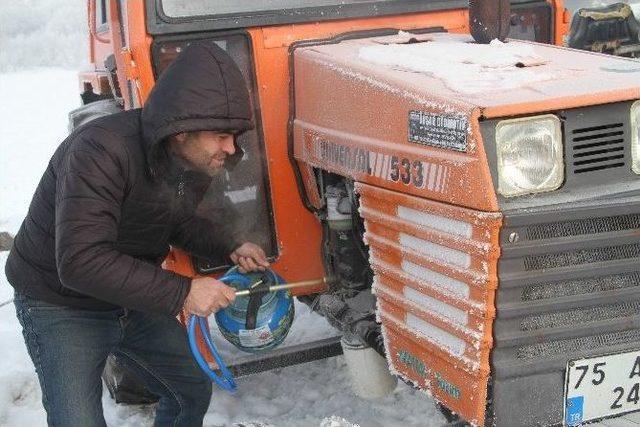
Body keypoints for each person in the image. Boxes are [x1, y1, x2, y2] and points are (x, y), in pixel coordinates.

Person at [5, 41, 269, 426]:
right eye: (220, 135)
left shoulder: (186, 158)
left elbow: (172, 220)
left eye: (233, 136)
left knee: (190, 390)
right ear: (182, 130)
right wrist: (184, 291)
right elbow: (80, 260)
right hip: (59, 304)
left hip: (129, 296)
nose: (230, 149)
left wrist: (230, 244)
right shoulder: (99, 151)